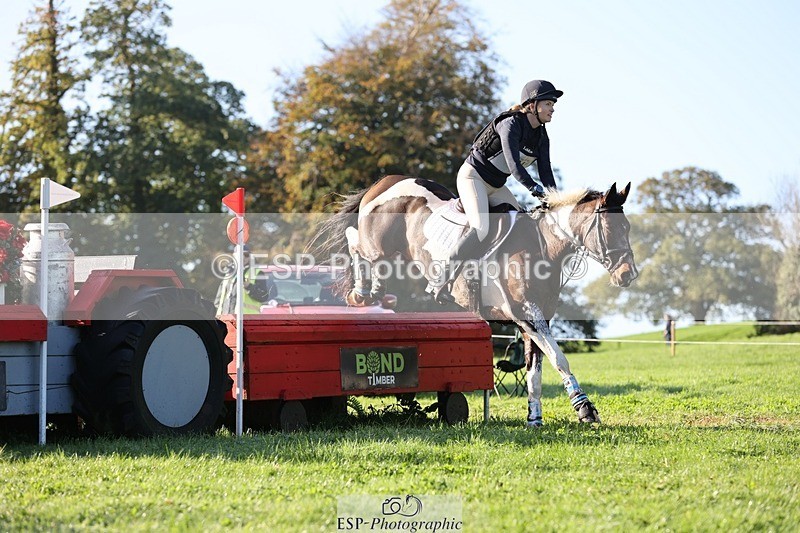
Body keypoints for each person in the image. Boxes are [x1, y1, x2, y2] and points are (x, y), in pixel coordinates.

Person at [430, 79, 563, 304]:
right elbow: (514, 166)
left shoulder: (541, 136)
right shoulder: (510, 124)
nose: (553, 109)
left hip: (496, 185)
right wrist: (534, 189)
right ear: (532, 105)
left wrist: (556, 200)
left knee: (523, 223)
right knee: (481, 228)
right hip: (473, 177)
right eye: (548, 103)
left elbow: (546, 172)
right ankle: (440, 279)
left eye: (553, 104)